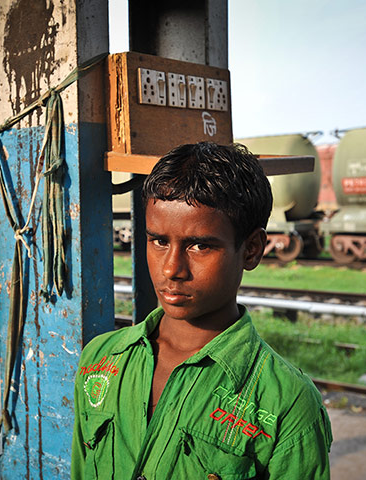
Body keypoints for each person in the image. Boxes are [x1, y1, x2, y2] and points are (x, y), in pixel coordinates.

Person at [71, 143, 333, 479]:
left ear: (251, 250)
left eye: (200, 245)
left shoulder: (286, 404)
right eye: (159, 241)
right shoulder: (101, 360)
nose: (171, 269)